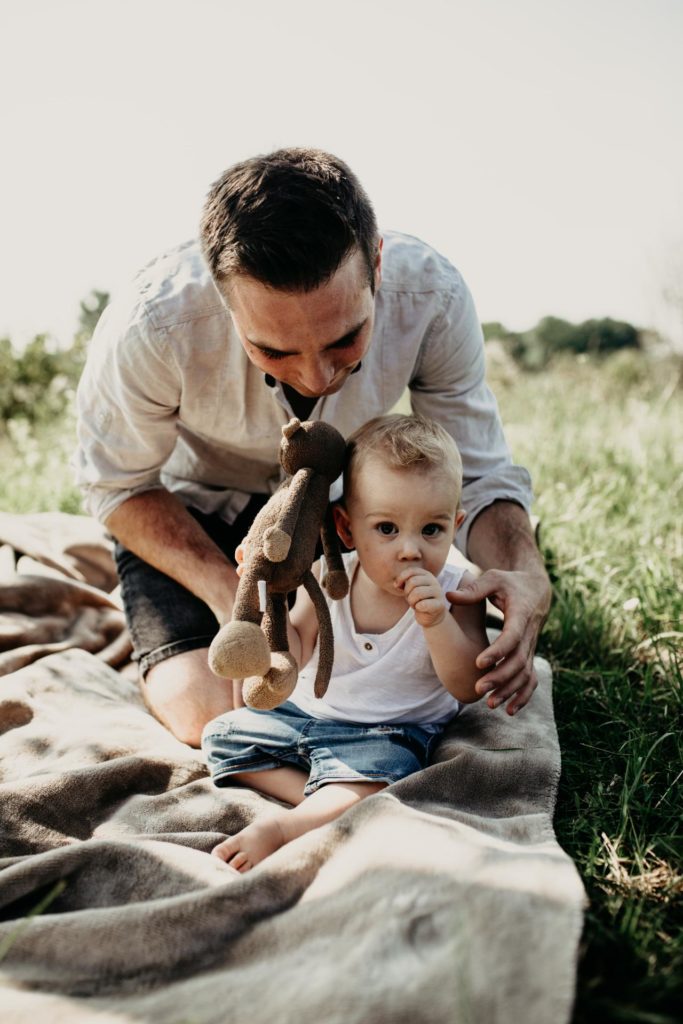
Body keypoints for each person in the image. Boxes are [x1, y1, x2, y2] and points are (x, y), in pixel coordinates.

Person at [74, 147, 551, 747]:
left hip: (343, 521)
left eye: (345, 339)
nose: (316, 377)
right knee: (208, 713)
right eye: (273, 351)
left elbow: (479, 476)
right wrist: (235, 601)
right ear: (222, 299)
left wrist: (526, 577)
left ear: (377, 264)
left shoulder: (434, 298)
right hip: (193, 513)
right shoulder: (152, 324)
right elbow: (118, 486)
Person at [202, 414, 488, 871]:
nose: (410, 550)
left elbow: (468, 686)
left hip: (388, 733)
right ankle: (328, 797)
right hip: (303, 718)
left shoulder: (458, 590)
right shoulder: (326, 578)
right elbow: (294, 653)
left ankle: (288, 826)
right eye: (387, 529)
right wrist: (268, 597)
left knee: (388, 770)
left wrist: (436, 622)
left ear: (455, 524)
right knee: (220, 736)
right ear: (347, 527)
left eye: (431, 529)